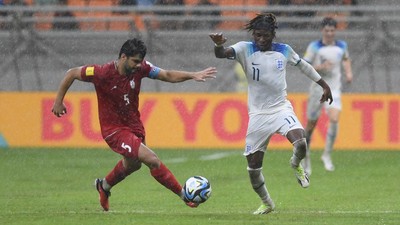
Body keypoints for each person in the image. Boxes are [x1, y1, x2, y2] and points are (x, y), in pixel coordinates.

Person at [51, 38, 217, 211]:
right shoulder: (101, 72)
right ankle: (183, 195)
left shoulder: (141, 69)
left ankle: (104, 186)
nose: (139, 65)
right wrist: (58, 102)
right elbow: (72, 73)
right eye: (135, 61)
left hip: (134, 126)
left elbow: (166, 75)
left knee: (133, 165)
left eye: (140, 61)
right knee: (151, 159)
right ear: (123, 57)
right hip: (114, 130)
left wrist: (192, 75)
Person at [209, 13, 333, 215]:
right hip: (258, 116)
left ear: (272, 34)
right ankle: (267, 202)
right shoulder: (244, 48)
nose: (261, 40)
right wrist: (217, 45)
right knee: (253, 168)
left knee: (301, 142)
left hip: (280, 108)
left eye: (265, 36)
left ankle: (295, 163)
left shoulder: (283, 50)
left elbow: (304, 66)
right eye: (257, 35)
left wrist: (323, 85)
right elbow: (221, 54)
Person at [302, 17, 353, 174]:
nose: (330, 33)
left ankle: (326, 155)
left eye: (332, 30)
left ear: (335, 31)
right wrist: (320, 67)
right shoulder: (314, 47)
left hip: (334, 89)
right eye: (327, 30)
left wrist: (349, 72)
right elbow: (304, 65)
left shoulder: (341, 46)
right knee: (311, 125)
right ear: (322, 31)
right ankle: (306, 156)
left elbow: (345, 59)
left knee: (335, 118)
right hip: (318, 89)